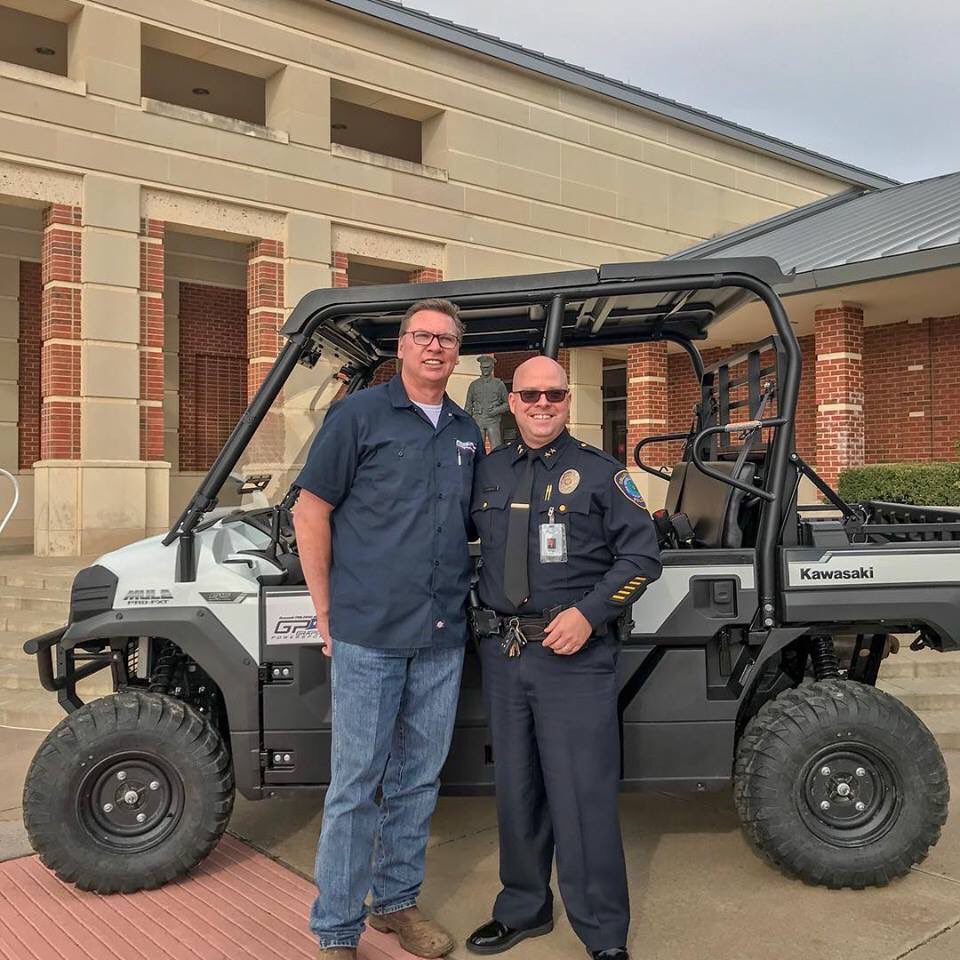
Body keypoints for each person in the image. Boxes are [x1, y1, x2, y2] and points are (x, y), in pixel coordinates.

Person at [294, 298, 483, 960]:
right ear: (402, 346)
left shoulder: (466, 430)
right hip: (368, 633)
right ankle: (336, 930)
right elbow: (311, 511)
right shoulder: (358, 416)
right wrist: (324, 610)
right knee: (355, 787)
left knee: (417, 780)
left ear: (457, 353)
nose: (435, 347)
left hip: (441, 634)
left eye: (447, 339)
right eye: (423, 336)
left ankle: (396, 903)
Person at [465, 356, 661, 960]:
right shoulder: (488, 472)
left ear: (567, 400)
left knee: (581, 796)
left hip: (572, 656)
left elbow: (642, 559)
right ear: (512, 402)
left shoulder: (601, 474)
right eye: (530, 395)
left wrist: (589, 614)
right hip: (504, 652)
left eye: (553, 394)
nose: (542, 404)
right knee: (516, 789)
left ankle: (603, 933)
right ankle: (524, 908)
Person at [465, 354, 509, 449]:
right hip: (478, 420)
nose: (485, 369)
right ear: (480, 367)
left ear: (492, 368)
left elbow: (507, 404)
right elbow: (468, 407)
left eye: (487, 367)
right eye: (483, 367)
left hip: (493, 421)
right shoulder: (474, 385)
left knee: (496, 448)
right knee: (477, 448)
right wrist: (466, 423)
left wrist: (496, 410)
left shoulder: (499, 384)